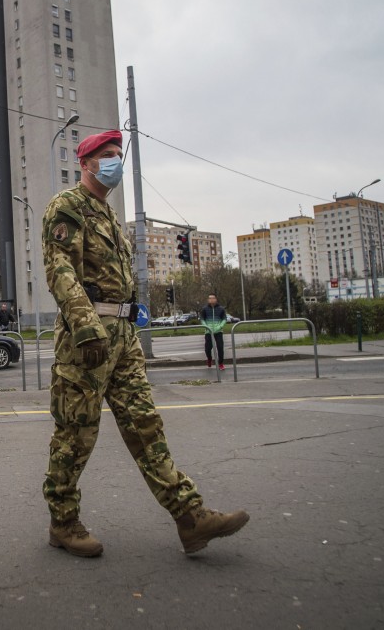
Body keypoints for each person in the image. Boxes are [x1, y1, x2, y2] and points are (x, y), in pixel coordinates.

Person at [42, 129, 249, 559]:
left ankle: (189, 517)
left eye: (119, 154)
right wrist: (85, 327)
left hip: (122, 336)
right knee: (75, 435)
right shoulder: (68, 207)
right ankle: (62, 522)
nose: (115, 161)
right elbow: (60, 270)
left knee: (146, 425)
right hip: (88, 338)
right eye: (108, 155)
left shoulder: (109, 216)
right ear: (86, 163)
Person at [200, 294, 229, 370]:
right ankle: (209, 358)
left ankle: (221, 364)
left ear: (216, 299)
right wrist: (206, 327)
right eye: (210, 298)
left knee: (220, 347)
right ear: (208, 300)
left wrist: (220, 326)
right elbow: (202, 319)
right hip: (208, 332)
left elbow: (224, 319)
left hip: (218, 332)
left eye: (213, 298)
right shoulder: (205, 309)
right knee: (207, 348)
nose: (211, 300)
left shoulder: (221, 309)